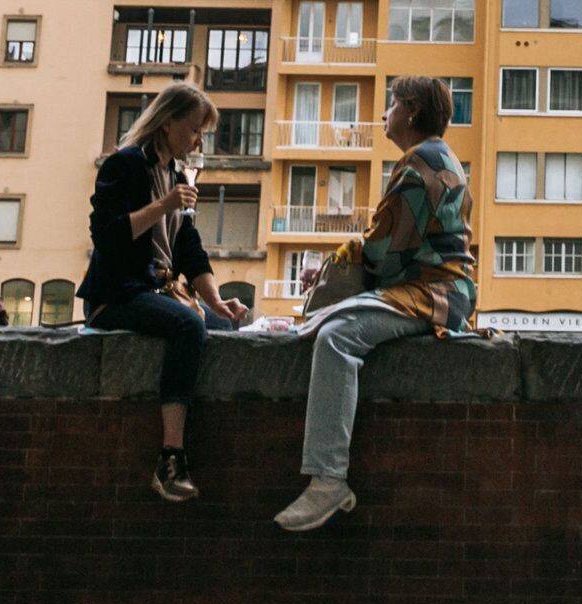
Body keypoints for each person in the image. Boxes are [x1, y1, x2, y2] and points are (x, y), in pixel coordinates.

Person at [274, 74, 473, 532]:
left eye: (392, 104)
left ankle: (329, 480)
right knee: (336, 325)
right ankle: (327, 481)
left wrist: (336, 272)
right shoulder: (437, 158)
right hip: (439, 291)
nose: (385, 113)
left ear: (411, 111)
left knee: (338, 336)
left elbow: (383, 255)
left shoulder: (418, 163)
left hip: (435, 295)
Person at [84, 83, 237, 501]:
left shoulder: (174, 174)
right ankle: (170, 456)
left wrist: (218, 302)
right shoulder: (127, 164)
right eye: (195, 129)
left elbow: (189, 247)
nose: (199, 140)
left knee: (223, 325)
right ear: (167, 122)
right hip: (114, 296)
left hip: (155, 291)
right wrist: (165, 204)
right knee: (189, 326)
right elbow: (107, 236)